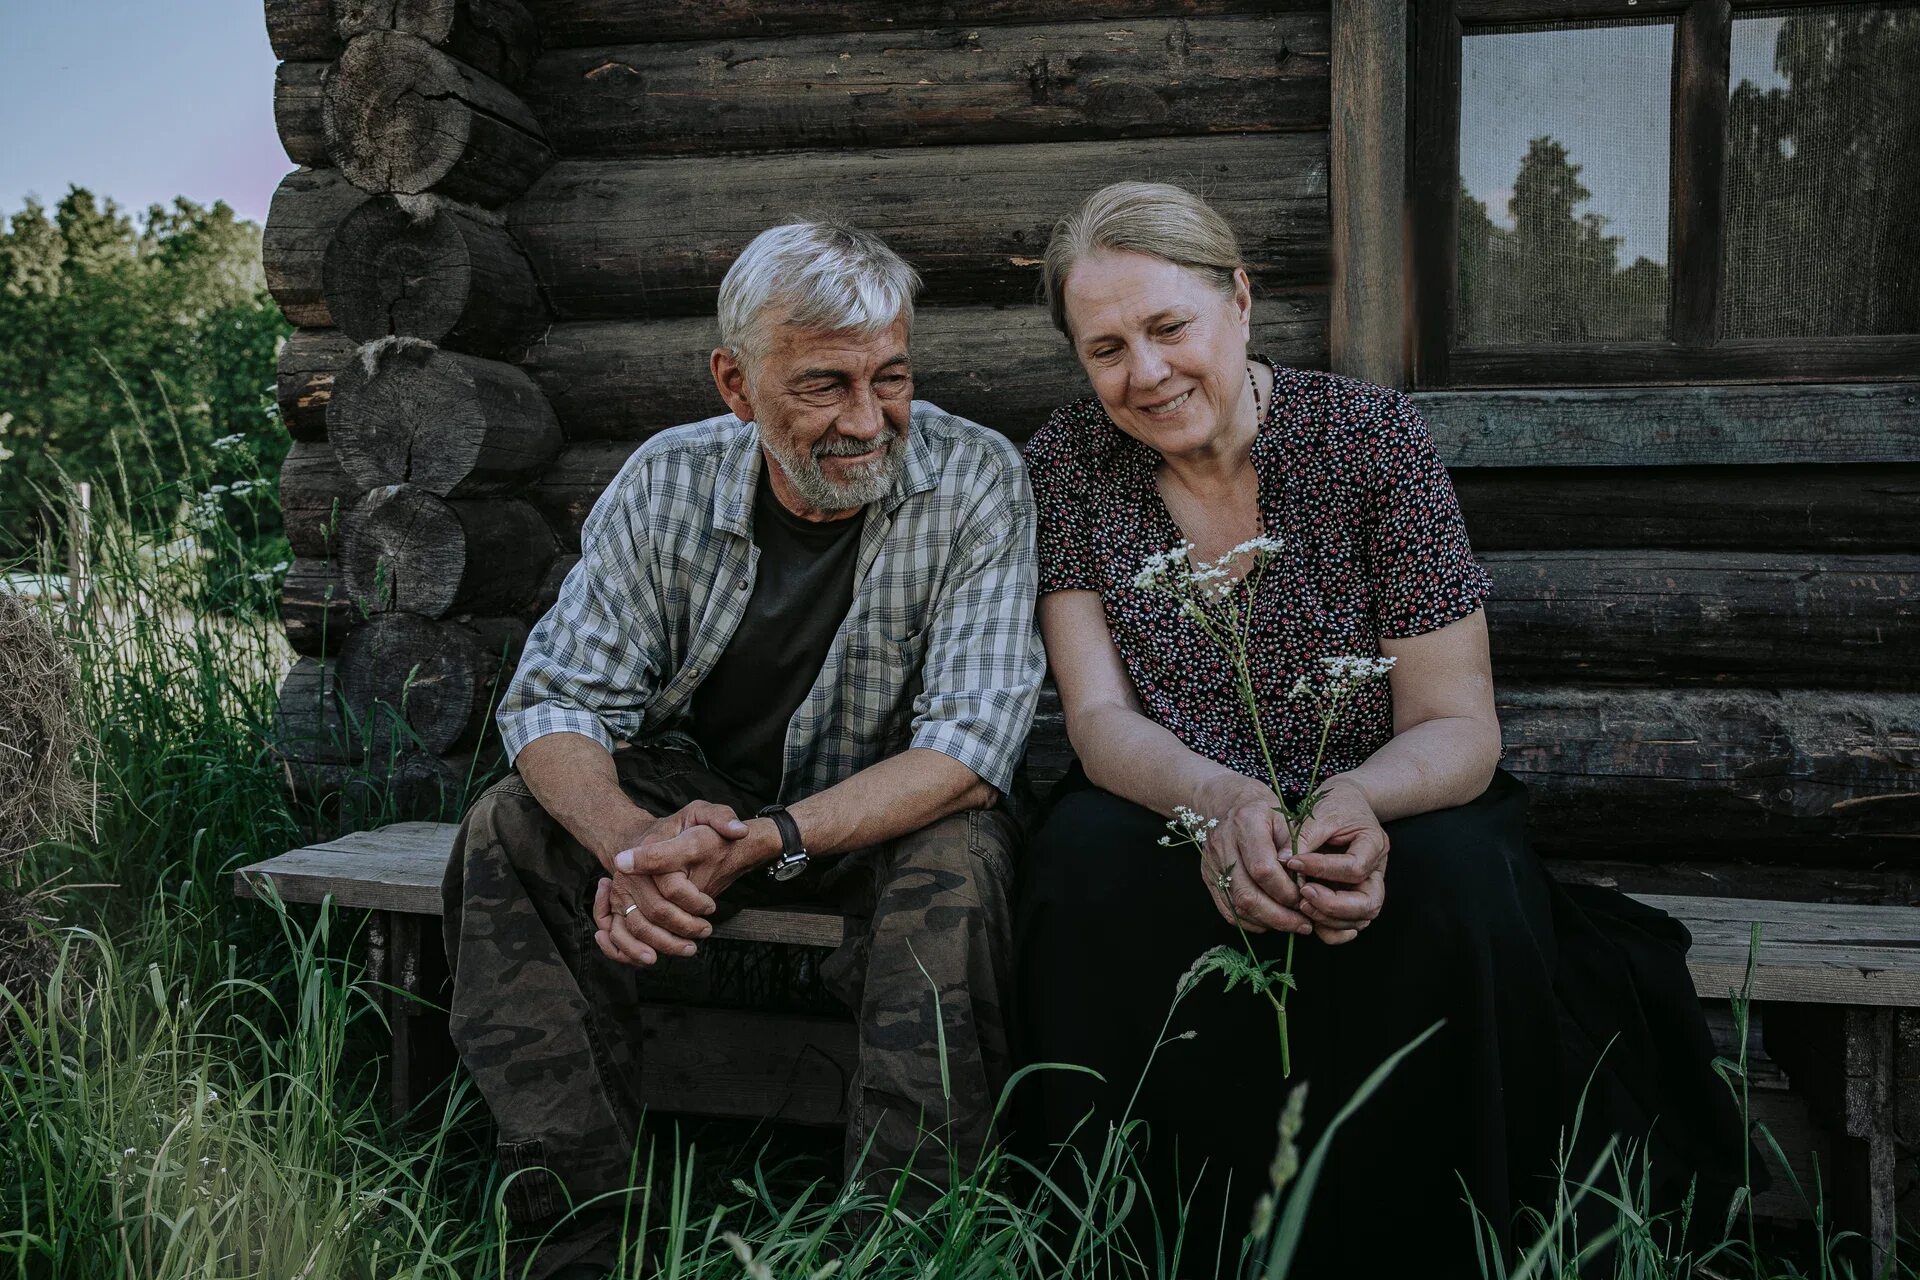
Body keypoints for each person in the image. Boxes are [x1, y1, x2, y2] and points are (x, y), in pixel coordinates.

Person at [1013, 182, 1746, 1277]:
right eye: (1107, 347)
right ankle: (1154, 1242)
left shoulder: (1370, 437)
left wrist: (1353, 801)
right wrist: (1227, 803)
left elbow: (1458, 722)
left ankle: (1443, 1241)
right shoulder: (1069, 461)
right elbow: (1100, 714)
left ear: (1241, 301)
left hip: (1385, 793)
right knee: (1077, 856)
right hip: (1183, 797)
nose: (1147, 373)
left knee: (1453, 876)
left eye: (1170, 328)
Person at [443, 220, 1044, 1279]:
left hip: (883, 799)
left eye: (890, 377)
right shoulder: (668, 479)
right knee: (513, 824)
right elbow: (557, 697)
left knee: (962, 861)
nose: (869, 420)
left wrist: (770, 839)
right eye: (824, 386)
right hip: (698, 790)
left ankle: (904, 1244)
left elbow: (969, 746)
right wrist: (631, 840)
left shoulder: (976, 478)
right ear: (735, 382)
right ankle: (572, 1235)